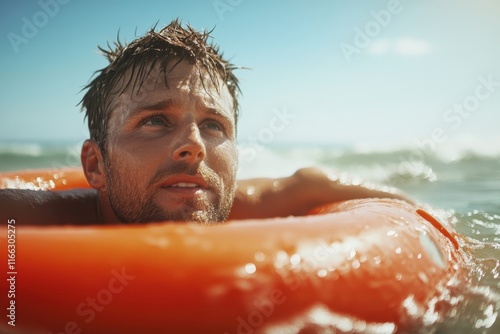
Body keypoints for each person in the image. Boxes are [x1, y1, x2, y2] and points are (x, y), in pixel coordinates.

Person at [0, 20, 413, 225]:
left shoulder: (240, 207)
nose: (194, 145)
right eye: (156, 120)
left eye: (214, 125)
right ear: (95, 166)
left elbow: (310, 183)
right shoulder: (36, 220)